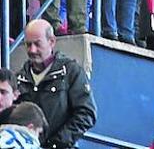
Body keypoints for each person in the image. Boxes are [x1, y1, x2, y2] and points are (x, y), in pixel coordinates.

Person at [13, 20, 96, 149]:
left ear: (52, 41)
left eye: (37, 44)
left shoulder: (70, 71)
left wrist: (56, 144)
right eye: (28, 45)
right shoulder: (19, 78)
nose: (32, 50)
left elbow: (87, 113)